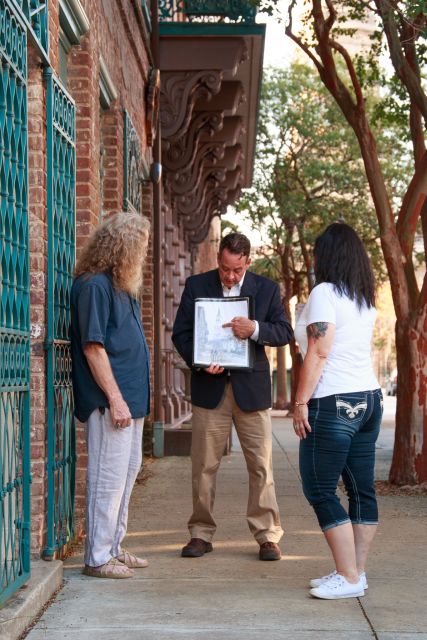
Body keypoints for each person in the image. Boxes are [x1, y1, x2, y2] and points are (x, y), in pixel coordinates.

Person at [172, 232, 293, 560]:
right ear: (219, 261)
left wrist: (254, 329)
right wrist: (199, 362)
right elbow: (180, 333)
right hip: (210, 388)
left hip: (251, 391)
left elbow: (284, 331)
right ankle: (200, 534)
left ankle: (267, 535)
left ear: (247, 263)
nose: (229, 275)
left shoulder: (266, 289)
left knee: (261, 465)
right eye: (224, 268)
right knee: (203, 466)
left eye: (236, 270)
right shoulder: (197, 286)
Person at [293, 222, 383, 599]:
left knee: (320, 488)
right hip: (369, 398)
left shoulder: (325, 292)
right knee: (361, 489)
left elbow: (320, 350)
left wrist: (300, 402)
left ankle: (347, 577)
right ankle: (355, 572)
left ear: (325, 256)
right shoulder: (363, 296)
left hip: (334, 401)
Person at [70, 212, 151, 579]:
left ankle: (113, 547)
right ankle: (98, 556)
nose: (144, 254)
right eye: (143, 247)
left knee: (127, 473)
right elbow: (93, 348)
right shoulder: (94, 286)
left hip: (131, 401)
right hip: (110, 402)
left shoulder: (121, 286)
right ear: (125, 247)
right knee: (108, 478)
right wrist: (116, 399)